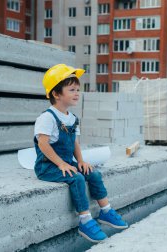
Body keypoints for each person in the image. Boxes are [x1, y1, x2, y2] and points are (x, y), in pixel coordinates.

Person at [33, 64, 128, 243]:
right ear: (56, 93)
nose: (77, 93)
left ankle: (106, 211)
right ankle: (85, 221)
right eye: (72, 90)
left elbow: (74, 143)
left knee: (93, 173)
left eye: (78, 89)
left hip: (66, 163)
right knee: (76, 178)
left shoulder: (72, 118)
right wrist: (61, 164)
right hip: (48, 166)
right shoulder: (47, 118)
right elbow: (43, 144)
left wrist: (81, 161)